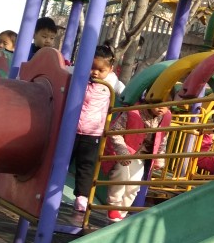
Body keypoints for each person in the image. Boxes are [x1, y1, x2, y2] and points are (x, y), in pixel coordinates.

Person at [71, 44, 124, 212]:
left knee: (86, 166)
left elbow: (126, 93)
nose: (95, 73)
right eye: (92, 67)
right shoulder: (80, 74)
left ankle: (81, 197)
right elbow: (63, 72)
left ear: (110, 69)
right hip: (71, 129)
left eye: (101, 70)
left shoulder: (112, 82)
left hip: (93, 132)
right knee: (62, 161)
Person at [103, 102, 171, 221]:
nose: (161, 107)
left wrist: (160, 157)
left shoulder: (166, 117)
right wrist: (122, 151)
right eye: (157, 103)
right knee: (121, 174)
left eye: (166, 105)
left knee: (133, 187)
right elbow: (115, 131)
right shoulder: (134, 111)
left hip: (140, 156)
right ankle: (113, 206)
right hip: (125, 150)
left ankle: (121, 214)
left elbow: (162, 138)